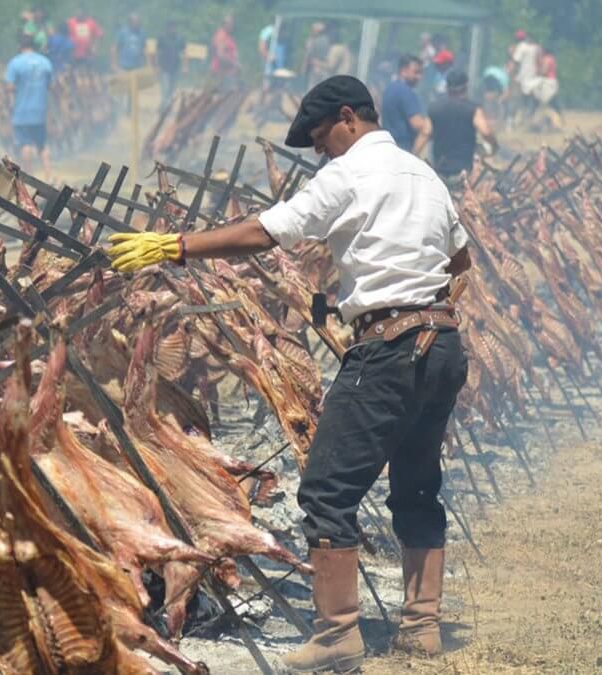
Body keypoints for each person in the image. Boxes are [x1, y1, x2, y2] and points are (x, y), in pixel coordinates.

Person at [103, 74, 470, 674]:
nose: (320, 150)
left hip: (388, 351)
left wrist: (175, 247)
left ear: (348, 118)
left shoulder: (350, 173)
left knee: (326, 489)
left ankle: (337, 636)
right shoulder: (422, 173)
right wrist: (394, 296)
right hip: (443, 343)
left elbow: (265, 232)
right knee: (417, 483)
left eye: (322, 136)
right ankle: (423, 628)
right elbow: (460, 258)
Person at [428, 70, 498, 186]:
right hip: (463, 171)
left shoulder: (435, 108)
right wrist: (495, 146)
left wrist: (413, 155)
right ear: (466, 86)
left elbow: (425, 133)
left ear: (447, 87)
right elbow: (486, 132)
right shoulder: (471, 109)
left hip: (439, 169)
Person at [5, 32, 54, 178]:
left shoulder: (15, 63)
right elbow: (50, 86)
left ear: (20, 46)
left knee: (25, 145)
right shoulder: (45, 62)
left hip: (22, 111)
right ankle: (49, 176)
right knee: (42, 145)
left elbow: (9, 87)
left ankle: (29, 178)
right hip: (40, 111)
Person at [382, 55, 431, 155]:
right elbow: (417, 123)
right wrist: (431, 124)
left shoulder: (390, 88)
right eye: (416, 72)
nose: (419, 77)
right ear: (403, 71)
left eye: (421, 73)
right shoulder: (406, 92)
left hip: (388, 145)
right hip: (403, 148)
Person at [510, 29, 542, 123]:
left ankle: (524, 119)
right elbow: (516, 61)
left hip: (527, 78)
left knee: (524, 99)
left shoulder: (528, 47)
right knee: (523, 99)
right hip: (528, 78)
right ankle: (518, 119)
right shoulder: (529, 47)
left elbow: (515, 61)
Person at [156, 20, 186, 107]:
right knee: (165, 89)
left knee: (171, 90)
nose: (172, 29)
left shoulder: (180, 39)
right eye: (170, 27)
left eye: (173, 27)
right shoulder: (161, 38)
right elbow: (157, 52)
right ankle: (165, 109)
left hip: (175, 68)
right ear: (166, 28)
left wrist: (185, 66)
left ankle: (163, 106)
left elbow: (184, 53)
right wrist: (157, 66)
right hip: (164, 68)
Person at [210, 15, 239, 84]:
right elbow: (220, 55)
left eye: (232, 24)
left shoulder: (228, 36)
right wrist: (234, 63)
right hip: (221, 72)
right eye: (230, 24)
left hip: (228, 72)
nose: (232, 26)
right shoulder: (221, 36)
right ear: (224, 24)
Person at [303, 22, 331, 86]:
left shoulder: (321, 41)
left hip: (319, 69)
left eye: (313, 29)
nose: (312, 31)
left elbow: (308, 55)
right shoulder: (325, 39)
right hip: (317, 69)